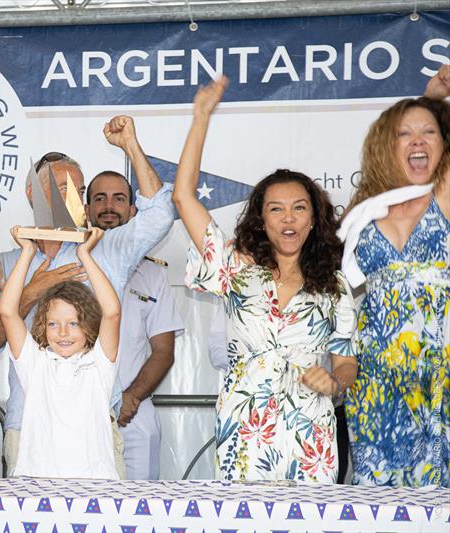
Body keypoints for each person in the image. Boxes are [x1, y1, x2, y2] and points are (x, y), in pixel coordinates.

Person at [174, 77, 358, 482]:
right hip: (244, 425)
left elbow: (346, 362)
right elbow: (184, 198)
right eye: (276, 209)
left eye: (298, 208)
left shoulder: (335, 284)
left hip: (312, 433)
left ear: (313, 219)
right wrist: (201, 116)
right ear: (262, 219)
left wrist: (334, 381)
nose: (288, 217)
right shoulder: (235, 270)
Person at [0, 116, 176, 477]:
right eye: (59, 187)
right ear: (32, 195)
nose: (71, 197)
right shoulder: (9, 262)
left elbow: (162, 214)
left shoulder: (106, 248)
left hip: (96, 427)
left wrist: (130, 145)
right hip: (28, 429)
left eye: (78, 189)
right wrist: (33, 290)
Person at [341, 75, 450, 487]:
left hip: (439, 372)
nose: (417, 141)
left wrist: (434, 97)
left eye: (429, 132)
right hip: (375, 379)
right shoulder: (364, 211)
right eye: (404, 134)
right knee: (377, 501)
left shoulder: (444, 198)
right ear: (387, 146)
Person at [85, 170, 185, 480]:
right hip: (79, 413)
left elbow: (163, 350)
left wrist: (132, 397)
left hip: (133, 415)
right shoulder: (70, 265)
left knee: (140, 516)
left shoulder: (153, 275)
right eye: (99, 199)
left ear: (133, 210)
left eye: (119, 199)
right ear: (86, 210)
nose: (108, 207)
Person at [1, 226, 121, 479]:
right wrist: (27, 252)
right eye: (54, 324)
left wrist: (85, 254)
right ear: (43, 326)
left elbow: (112, 311)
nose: (63, 333)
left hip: (94, 486)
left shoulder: (99, 363)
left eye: (74, 323)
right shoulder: (35, 363)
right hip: (37, 484)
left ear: (88, 325)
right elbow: (8, 312)